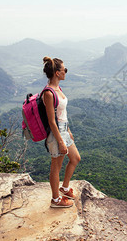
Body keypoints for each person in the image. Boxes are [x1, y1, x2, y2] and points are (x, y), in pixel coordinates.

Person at [42, 56, 81, 208]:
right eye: (65, 69)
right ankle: (55, 200)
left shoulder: (58, 89)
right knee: (56, 167)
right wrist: (60, 141)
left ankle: (64, 188)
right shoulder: (49, 93)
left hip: (64, 130)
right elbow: (52, 121)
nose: (66, 72)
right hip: (56, 134)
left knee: (75, 158)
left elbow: (62, 114)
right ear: (57, 73)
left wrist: (68, 131)